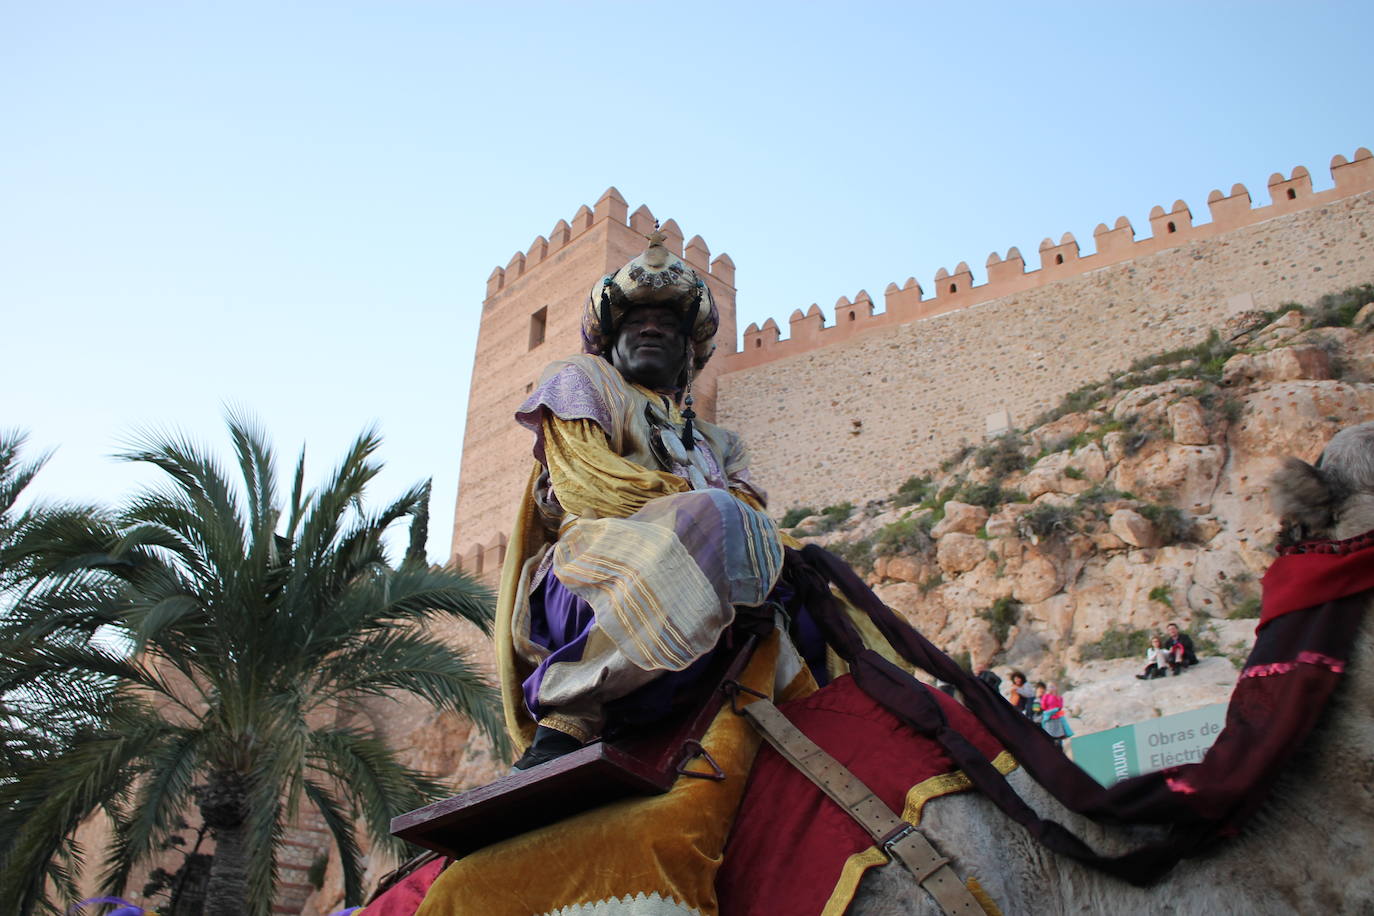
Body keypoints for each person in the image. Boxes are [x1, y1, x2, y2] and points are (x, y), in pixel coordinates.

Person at [497, 229, 801, 770]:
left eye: (667, 325)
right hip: (594, 572)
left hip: (712, 566)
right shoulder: (580, 379)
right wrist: (698, 508)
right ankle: (572, 713)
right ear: (612, 342)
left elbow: (753, 511)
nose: (652, 329)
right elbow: (589, 482)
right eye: (637, 323)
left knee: (812, 576)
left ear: (689, 350)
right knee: (716, 516)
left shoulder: (722, 441)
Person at [1039, 682, 1073, 749]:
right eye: (1049, 686)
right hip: (1049, 719)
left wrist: (1056, 697)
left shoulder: (1059, 697)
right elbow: (1043, 707)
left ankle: (1060, 752)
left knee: (1059, 738)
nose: (1051, 688)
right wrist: (1046, 695)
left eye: (1052, 686)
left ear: (1056, 687)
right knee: (1050, 737)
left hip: (1058, 719)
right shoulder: (1046, 696)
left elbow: (1060, 707)